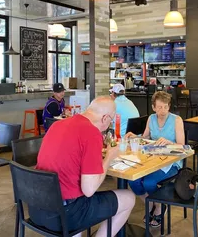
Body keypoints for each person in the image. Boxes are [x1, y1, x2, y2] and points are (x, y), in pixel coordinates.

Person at [29, 96, 135, 236]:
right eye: (110, 121)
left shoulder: (57, 125)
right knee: (129, 198)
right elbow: (89, 190)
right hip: (64, 215)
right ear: (105, 118)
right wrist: (109, 156)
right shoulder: (91, 133)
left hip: (36, 207)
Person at [125, 91, 185, 228]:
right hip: (152, 161)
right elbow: (145, 138)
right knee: (133, 181)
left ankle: (159, 207)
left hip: (171, 163)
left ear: (169, 107)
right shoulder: (151, 118)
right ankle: (151, 202)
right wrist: (134, 136)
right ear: (153, 107)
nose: (162, 110)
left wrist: (169, 142)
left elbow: (182, 145)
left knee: (149, 182)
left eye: (165, 107)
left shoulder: (176, 120)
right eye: (159, 107)